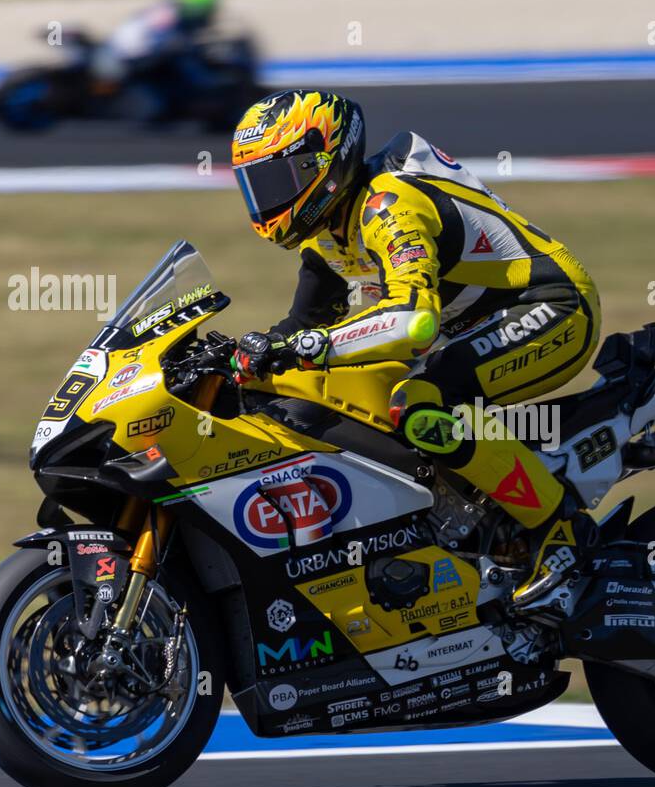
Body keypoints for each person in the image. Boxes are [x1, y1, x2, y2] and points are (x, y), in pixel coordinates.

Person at [229, 90, 601, 606]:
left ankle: (563, 537)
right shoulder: (327, 236)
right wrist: (236, 360)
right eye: (257, 185)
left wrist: (311, 345)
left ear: (328, 160)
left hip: (551, 305)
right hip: (478, 323)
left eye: (280, 180)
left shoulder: (388, 205)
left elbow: (415, 321)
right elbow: (299, 326)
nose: (268, 199)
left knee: (421, 404)